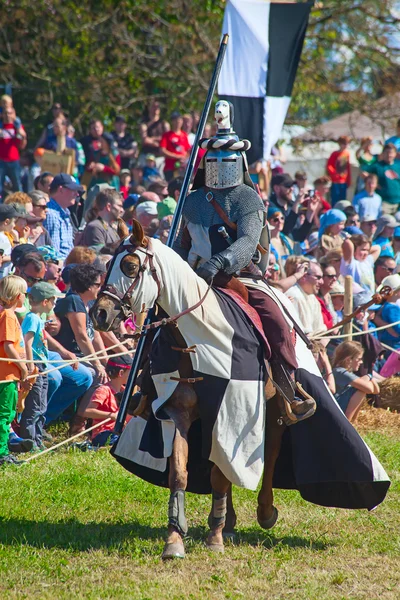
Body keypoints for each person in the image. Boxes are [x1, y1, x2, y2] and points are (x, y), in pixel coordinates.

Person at [173, 100, 315, 423]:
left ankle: (287, 389)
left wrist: (220, 262)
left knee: (276, 321)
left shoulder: (248, 199)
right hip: (194, 277)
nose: (221, 167)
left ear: (239, 162)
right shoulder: (193, 202)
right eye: (215, 160)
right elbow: (183, 244)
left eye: (227, 160)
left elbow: (247, 243)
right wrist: (178, 267)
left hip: (239, 277)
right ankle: (143, 385)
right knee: (158, 318)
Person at [20, 282, 62, 449]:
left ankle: (37, 438)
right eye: (53, 301)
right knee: (34, 405)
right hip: (36, 366)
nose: (54, 305)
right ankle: (29, 441)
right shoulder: (31, 318)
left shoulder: (37, 318)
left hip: (42, 366)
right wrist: (30, 365)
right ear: (45, 302)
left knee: (41, 405)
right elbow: (27, 342)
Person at [0, 275, 30, 466]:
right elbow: (8, 346)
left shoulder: (6, 315)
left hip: (8, 374)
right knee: (4, 415)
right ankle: (2, 453)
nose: (26, 298)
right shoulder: (9, 316)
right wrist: (23, 367)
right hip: (6, 376)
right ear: (18, 296)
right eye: (25, 294)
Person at [80, 354, 133, 447]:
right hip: (103, 433)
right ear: (121, 373)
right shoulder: (104, 390)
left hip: (118, 431)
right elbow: (87, 411)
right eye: (131, 372)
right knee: (121, 441)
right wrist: (112, 416)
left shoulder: (124, 391)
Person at [332, 341, 379, 423]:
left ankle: (349, 422)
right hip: (335, 408)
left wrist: (369, 377)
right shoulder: (341, 372)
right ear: (348, 360)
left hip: (337, 407)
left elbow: (376, 391)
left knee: (362, 385)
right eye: (359, 359)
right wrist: (369, 377)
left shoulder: (343, 372)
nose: (361, 362)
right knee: (361, 390)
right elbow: (369, 389)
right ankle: (346, 423)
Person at [269, 173, 319, 240]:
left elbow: (300, 236)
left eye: (292, 185)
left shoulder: (292, 205)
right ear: (277, 188)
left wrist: (310, 212)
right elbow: (285, 231)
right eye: (288, 186)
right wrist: (296, 203)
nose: (292, 189)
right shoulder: (270, 207)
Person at [44, 173, 83, 259]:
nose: (77, 194)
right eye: (73, 190)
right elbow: (53, 254)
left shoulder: (65, 213)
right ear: (61, 190)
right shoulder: (51, 215)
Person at [285, 260, 327, 337]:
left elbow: (320, 331)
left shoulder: (313, 298)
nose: (322, 282)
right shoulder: (294, 295)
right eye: (318, 277)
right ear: (304, 276)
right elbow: (304, 335)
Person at [363, 143, 400, 215]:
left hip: (398, 202)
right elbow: (363, 171)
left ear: (395, 154)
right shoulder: (378, 166)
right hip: (384, 202)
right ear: (383, 153)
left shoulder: (398, 166)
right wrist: (373, 183)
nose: (389, 155)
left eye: (391, 153)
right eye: (387, 153)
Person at [0, 106, 27, 199]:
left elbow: (22, 146)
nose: (8, 115)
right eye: (6, 113)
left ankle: (22, 206)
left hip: (14, 161)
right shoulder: (1, 126)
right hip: (1, 161)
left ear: (14, 115)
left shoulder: (17, 127)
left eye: (10, 113)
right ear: (2, 114)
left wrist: (22, 135)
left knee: (17, 186)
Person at [160, 112, 191, 182]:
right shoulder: (167, 135)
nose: (178, 122)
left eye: (179, 120)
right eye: (176, 120)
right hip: (170, 167)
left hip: (182, 167)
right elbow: (162, 150)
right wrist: (176, 156)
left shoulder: (184, 135)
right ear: (172, 122)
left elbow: (188, 150)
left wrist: (184, 158)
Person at [326, 136, 351, 206]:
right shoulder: (335, 154)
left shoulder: (347, 154)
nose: (345, 145)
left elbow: (348, 167)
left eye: (346, 144)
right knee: (335, 199)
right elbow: (329, 165)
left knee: (343, 200)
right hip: (336, 181)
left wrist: (348, 179)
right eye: (344, 143)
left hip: (344, 180)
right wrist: (334, 173)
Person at [0, 204, 21, 279]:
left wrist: (15, 239)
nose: (14, 225)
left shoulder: (3, 237)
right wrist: (13, 258)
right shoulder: (2, 238)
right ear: (6, 222)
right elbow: (1, 258)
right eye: (14, 222)